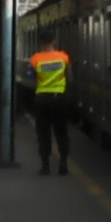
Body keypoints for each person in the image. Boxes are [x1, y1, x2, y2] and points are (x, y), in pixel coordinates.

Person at [25, 42, 73, 175]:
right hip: (59, 99)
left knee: (43, 134)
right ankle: (63, 163)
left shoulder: (35, 59)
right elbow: (70, 77)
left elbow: (30, 79)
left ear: (42, 43)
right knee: (62, 133)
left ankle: (45, 166)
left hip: (42, 100)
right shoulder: (63, 57)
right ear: (54, 42)